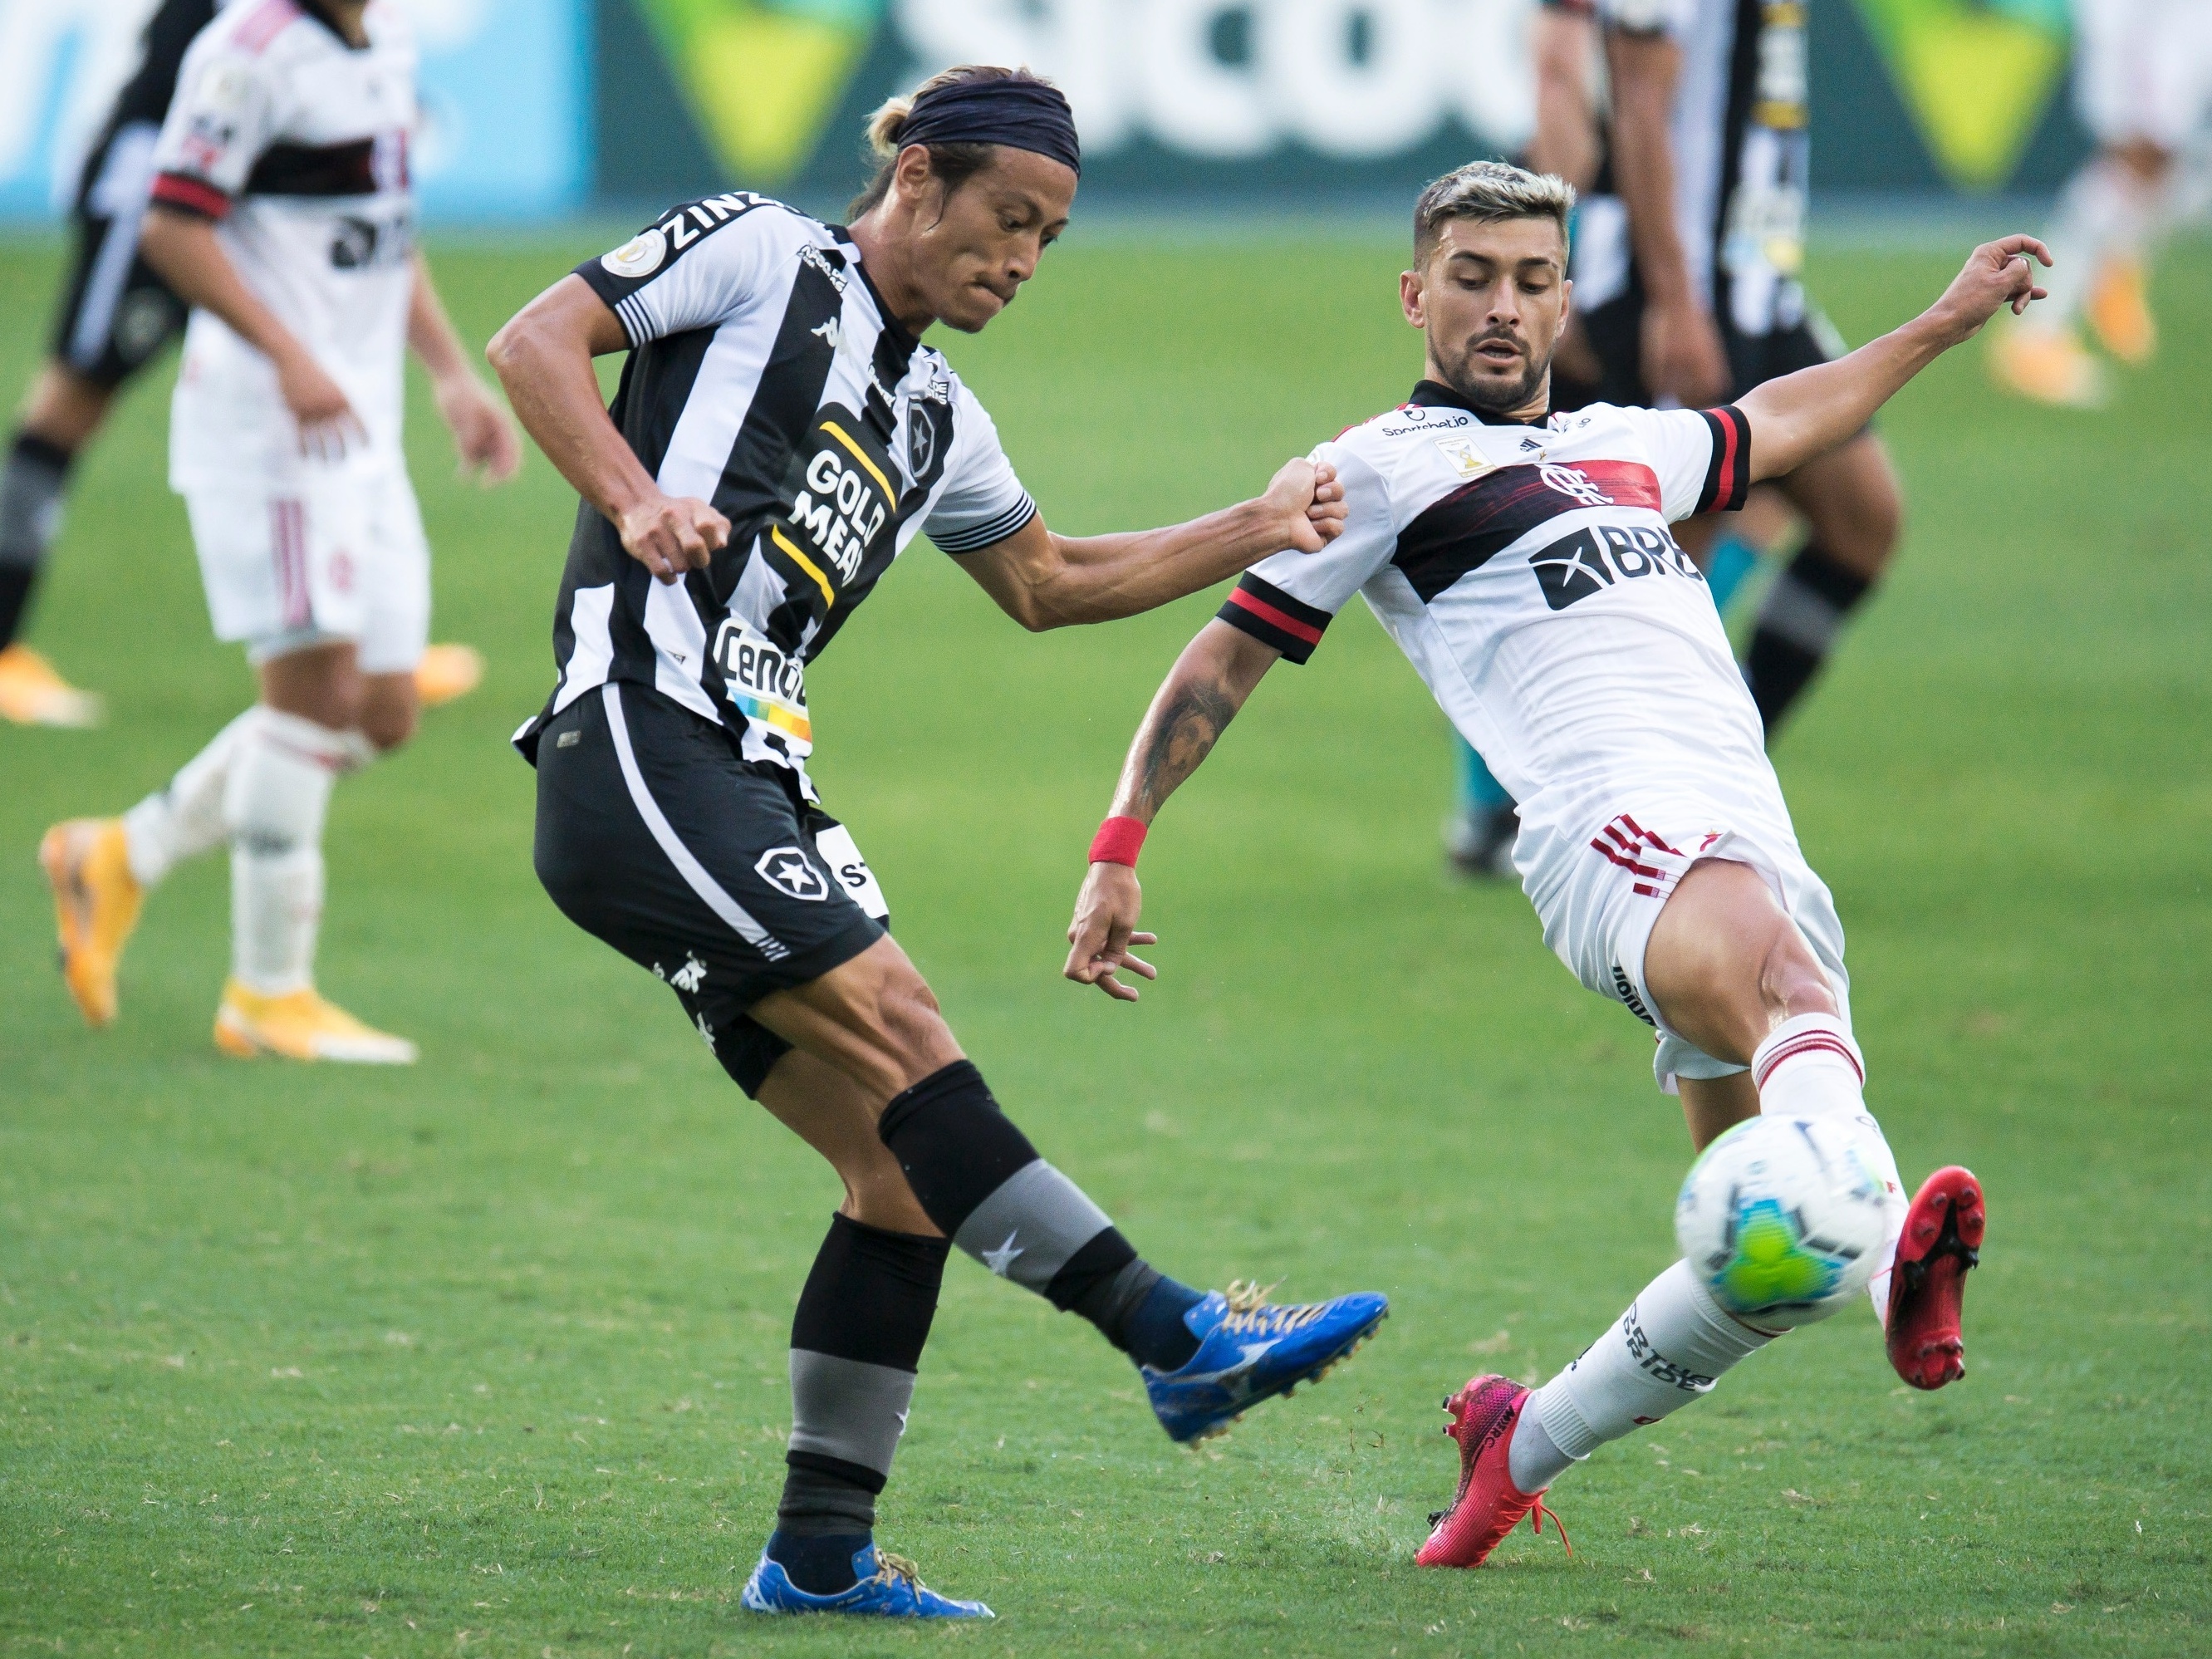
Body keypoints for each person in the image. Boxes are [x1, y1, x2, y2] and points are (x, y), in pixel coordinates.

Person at [484, 66, 1387, 1620]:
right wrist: (634, 501)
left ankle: (820, 1552)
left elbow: (1046, 579)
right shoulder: (761, 252)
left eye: (1046, 238)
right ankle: (1174, 1336)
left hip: (753, 772)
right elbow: (535, 340)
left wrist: (1252, 525)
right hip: (639, 730)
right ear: (914, 180)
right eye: (1006, 220)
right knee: (909, 1031)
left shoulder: (935, 410)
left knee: (896, 1167)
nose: (1022, 261)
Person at [1067, 160, 2020, 1568]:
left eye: (1528, 278)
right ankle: (1898, 1266)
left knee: (1754, 1263)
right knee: (1785, 988)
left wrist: (1939, 320)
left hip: (1740, 826)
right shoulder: (1375, 469)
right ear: (1414, 294)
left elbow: (1778, 420)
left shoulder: (1630, 442)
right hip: (1606, 833)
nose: (1500, 306)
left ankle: (1515, 1445)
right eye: (1469, 277)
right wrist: (1117, 846)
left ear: (1566, 298)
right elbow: (1227, 652)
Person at [39, 0, 521, 1060]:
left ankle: (120, 853)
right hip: (271, 430)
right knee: (310, 701)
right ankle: (267, 992)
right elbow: (170, 223)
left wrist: (447, 373)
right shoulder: (246, 53)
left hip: (362, 422)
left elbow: (383, 232)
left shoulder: (384, 42)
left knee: (382, 710)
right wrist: (288, 354)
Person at [0, 0, 483, 728]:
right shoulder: (251, 43)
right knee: (72, 401)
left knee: (320, 379)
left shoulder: (366, 37)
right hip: (157, 178)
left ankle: (359, 634)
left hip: (264, 187)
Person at [1444, 0, 1830, 876]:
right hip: (1638, 268)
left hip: (1728, 268)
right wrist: (1567, 262)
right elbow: (1559, 81)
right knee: (1624, 548)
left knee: (1792, 517)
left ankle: (1526, 804)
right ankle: (1542, 801)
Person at [1991, 0, 2212, 406]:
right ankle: (2036, 336)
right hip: (2144, 14)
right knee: (2141, 154)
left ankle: (2115, 267)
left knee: (2176, 166)